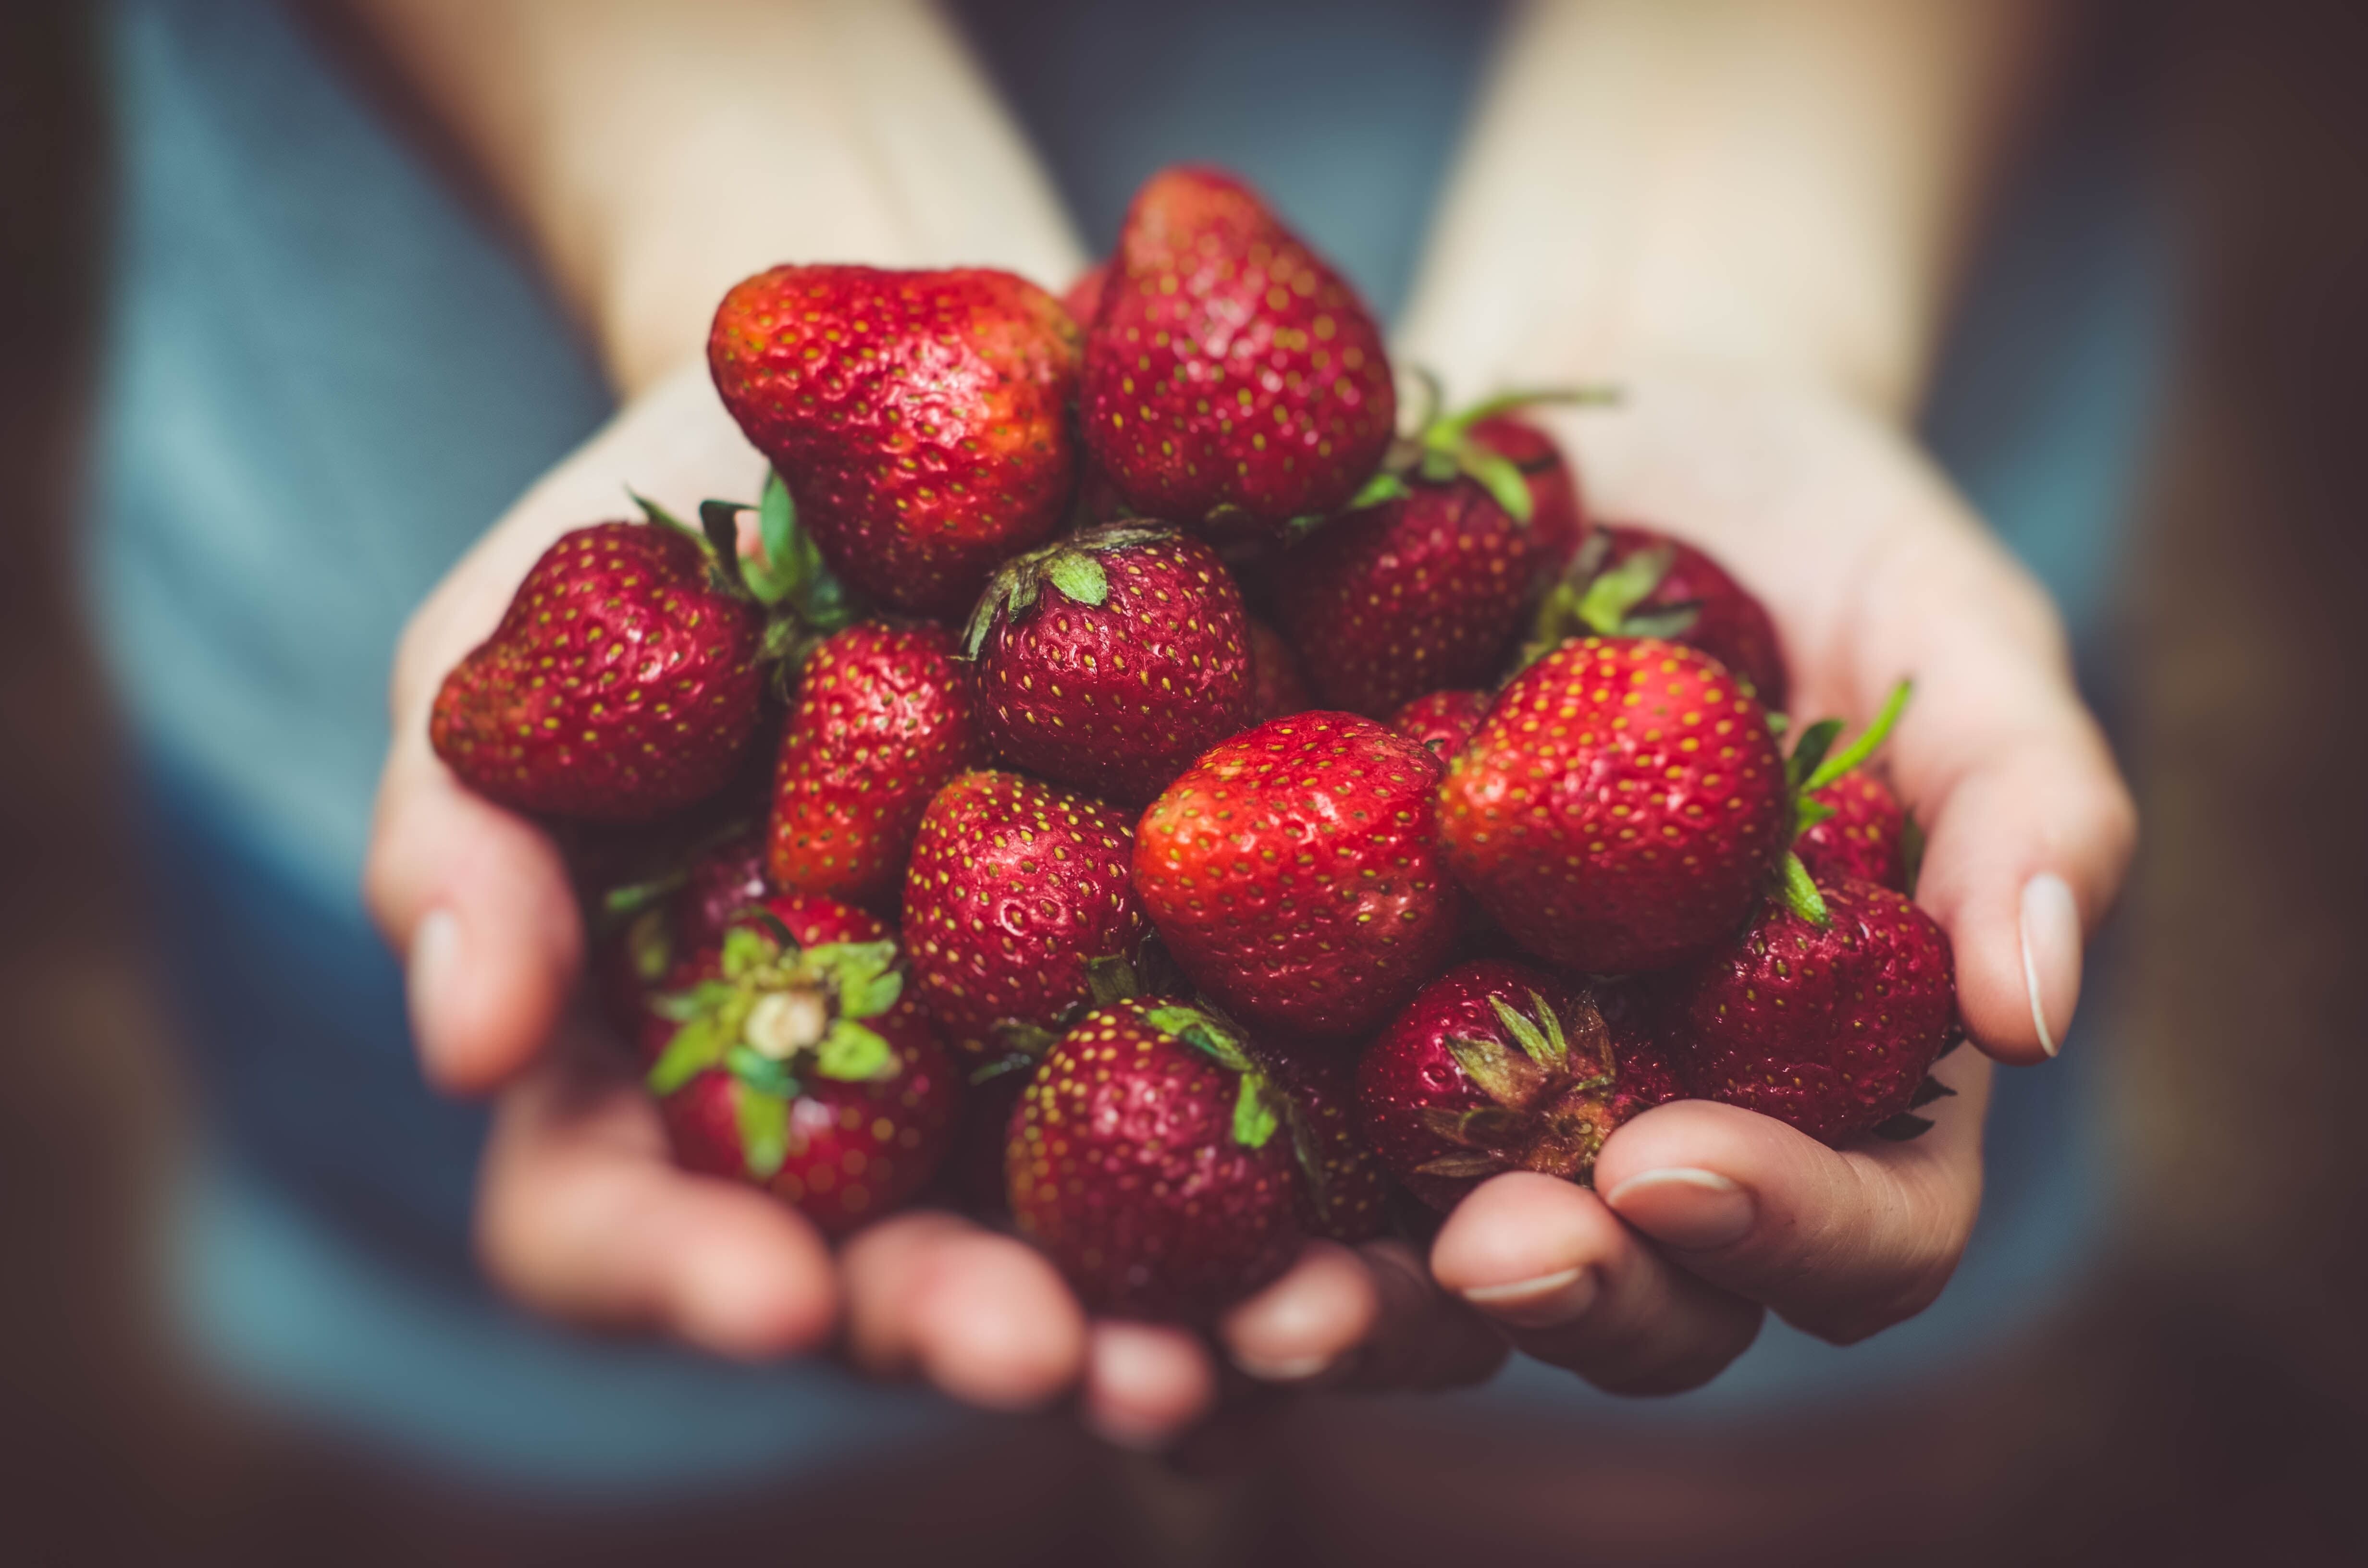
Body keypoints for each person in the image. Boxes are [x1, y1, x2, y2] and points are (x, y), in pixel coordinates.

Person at [90, 0, 2138, 1486]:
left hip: (1863, 231)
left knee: (1675, 1492)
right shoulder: (1015, 707)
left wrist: (1723, 295)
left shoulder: (1440, 735)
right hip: (417, 416)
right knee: (661, 1495)